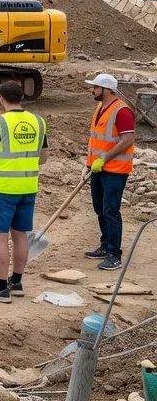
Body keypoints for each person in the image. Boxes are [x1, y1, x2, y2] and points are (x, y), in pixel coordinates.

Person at [0, 82, 47, 302]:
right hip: (28, 187)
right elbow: (43, 158)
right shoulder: (38, 122)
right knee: (20, 234)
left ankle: (1, 287)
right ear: (21, 98)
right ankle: (17, 281)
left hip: (3, 188)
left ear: (1, 99)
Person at [85, 73, 138, 271]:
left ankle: (114, 254)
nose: (93, 90)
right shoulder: (100, 108)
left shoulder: (122, 111)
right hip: (98, 168)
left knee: (110, 211)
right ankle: (105, 245)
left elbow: (127, 140)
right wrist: (88, 164)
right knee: (99, 208)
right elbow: (96, 139)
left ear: (107, 89)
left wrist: (104, 159)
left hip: (115, 171)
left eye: (96, 87)